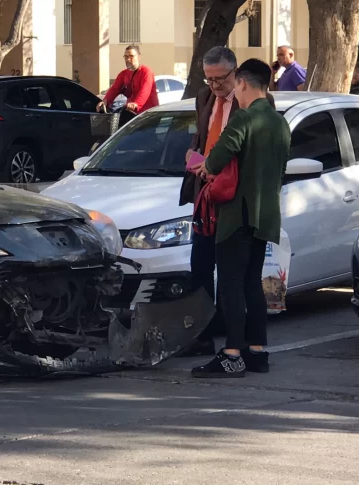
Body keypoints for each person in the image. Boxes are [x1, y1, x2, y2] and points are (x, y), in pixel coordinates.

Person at [190, 59, 291, 378]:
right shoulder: (279, 122)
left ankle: (232, 353)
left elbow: (216, 160)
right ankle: (258, 352)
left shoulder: (243, 119)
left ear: (243, 83)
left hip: (237, 213)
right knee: (252, 283)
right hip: (266, 215)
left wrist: (202, 165)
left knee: (231, 283)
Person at [179, 47, 276, 358]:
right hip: (205, 197)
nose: (215, 86)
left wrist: (209, 164)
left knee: (236, 277)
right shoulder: (204, 98)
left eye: (220, 79)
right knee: (201, 267)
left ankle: (236, 347)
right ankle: (203, 336)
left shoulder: (257, 107)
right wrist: (194, 156)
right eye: (209, 80)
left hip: (234, 199)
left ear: (237, 75)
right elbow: (203, 136)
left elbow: (240, 153)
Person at [96, 45, 159, 127]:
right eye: (126, 57)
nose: (128, 59)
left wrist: (136, 104)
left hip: (149, 114)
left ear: (139, 57)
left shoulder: (146, 72)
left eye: (131, 56)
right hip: (132, 115)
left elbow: (145, 90)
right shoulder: (123, 74)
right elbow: (114, 89)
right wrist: (105, 101)